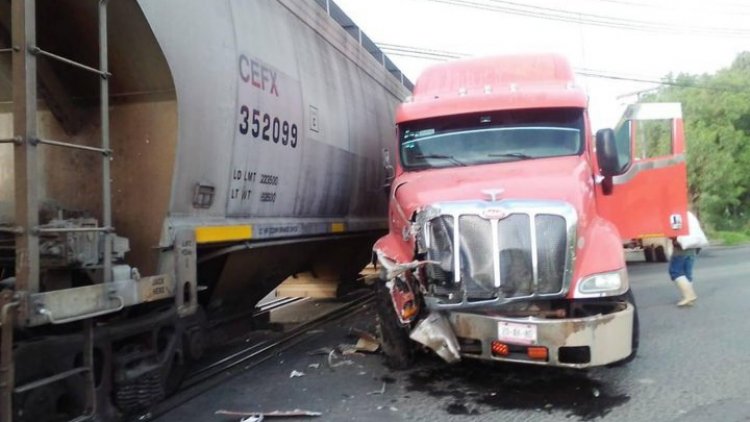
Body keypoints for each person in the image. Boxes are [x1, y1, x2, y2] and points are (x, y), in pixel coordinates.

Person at [670, 211, 708, 307]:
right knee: (687, 273)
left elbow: (675, 231)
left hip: (682, 248)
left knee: (675, 272)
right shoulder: (689, 214)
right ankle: (688, 298)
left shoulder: (674, 215)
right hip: (693, 247)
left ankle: (689, 295)